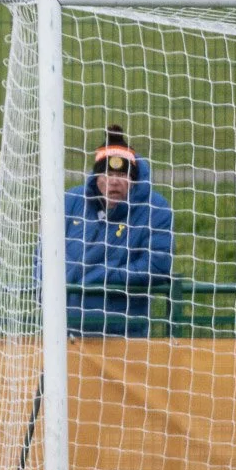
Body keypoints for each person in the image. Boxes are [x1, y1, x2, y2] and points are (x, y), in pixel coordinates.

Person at [61, 124, 174, 336]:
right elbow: (43, 254)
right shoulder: (70, 201)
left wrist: (97, 277)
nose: (114, 182)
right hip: (65, 333)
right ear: (96, 178)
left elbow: (156, 267)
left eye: (122, 175)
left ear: (133, 180)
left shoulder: (156, 210)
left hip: (123, 335)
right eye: (107, 174)